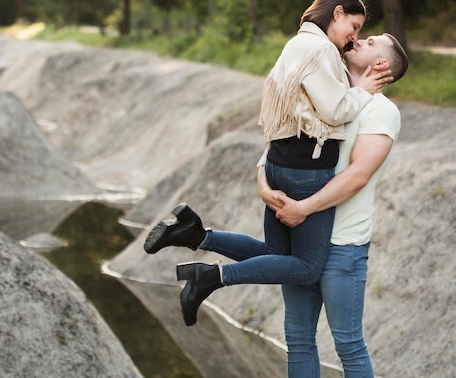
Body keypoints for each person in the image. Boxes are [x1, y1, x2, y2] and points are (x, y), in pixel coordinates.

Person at [145, 33, 408, 378]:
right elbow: (286, 139)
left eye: (370, 41)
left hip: (342, 245)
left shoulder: (381, 111)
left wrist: (305, 208)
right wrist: (263, 181)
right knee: (298, 339)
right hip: (304, 235)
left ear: (381, 64)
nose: (359, 39)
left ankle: (202, 246)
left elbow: (357, 176)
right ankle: (199, 239)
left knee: (348, 344)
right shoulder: (332, 95)